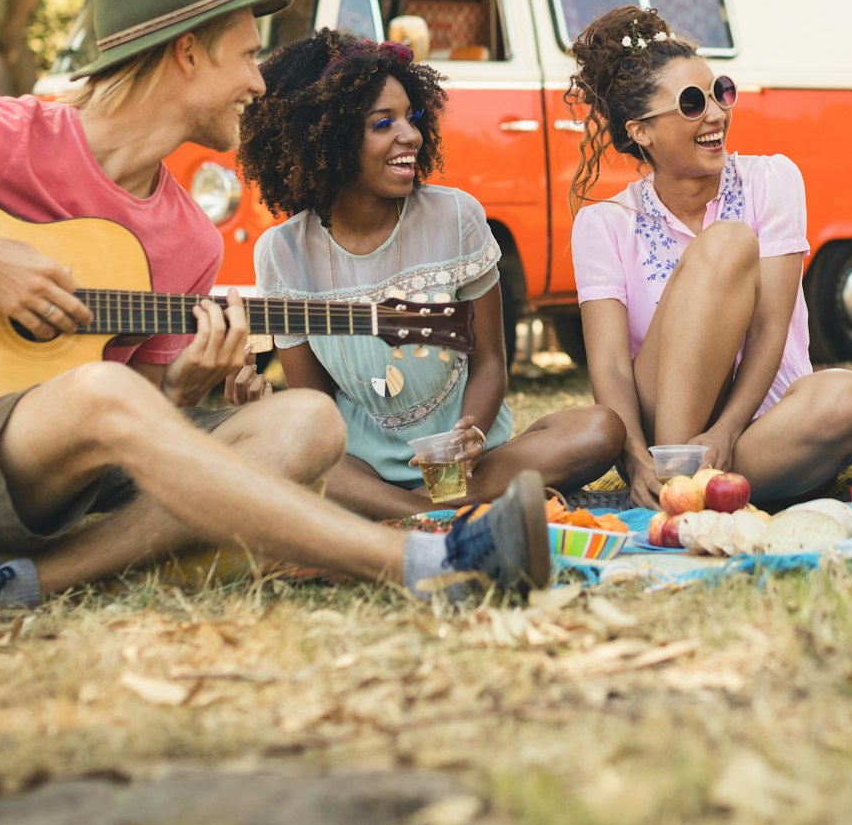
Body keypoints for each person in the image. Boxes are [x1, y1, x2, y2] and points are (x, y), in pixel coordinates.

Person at [0, 0, 550, 609]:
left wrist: (186, 387)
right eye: (246, 56)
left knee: (308, 423)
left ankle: (20, 585)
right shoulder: (9, 136)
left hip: (71, 490)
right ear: (187, 53)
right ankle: (422, 564)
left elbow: (135, 426)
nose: (260, 83)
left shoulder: (189, 239)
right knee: (103, 395)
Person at [241, 31, 624, 517]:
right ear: (327, 139)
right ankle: (423, 508)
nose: (412, 136)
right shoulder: (282, 253)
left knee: (601, 429)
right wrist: (253, 403)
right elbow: (314, 406)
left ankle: (401, 511)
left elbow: (490, 362)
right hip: (360, 467)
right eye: (384, 124)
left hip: (474, 463)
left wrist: (471, 434)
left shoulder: (456, 217)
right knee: (289, 455)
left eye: (412, 117)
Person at [566, 5, 852, 509]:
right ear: (641, 131)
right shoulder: (604, 224)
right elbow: (611, 369)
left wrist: (728, 431)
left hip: (764, 421)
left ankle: (694, 491)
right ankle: (676, 478)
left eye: (720, 92)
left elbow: (771, 328)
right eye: (691, 103)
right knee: (728, 242)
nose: (715, 113)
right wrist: (636, 459)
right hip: (668, 431)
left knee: (849, 397)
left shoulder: (772, 180)